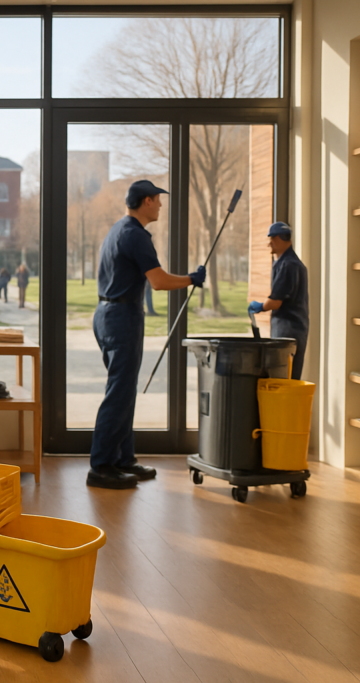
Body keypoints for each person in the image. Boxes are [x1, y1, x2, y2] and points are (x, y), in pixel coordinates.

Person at [88, 180, 206, 490]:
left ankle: (124, 459)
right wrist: (192, 278)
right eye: (157, 200)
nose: (161, 206)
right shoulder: (136, 236)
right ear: (146, 202)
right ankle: (101, 466)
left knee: (123, 390)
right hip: (122, 317)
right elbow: (158, 281)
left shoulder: (117, 230)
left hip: (106, 315)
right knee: (120, 392)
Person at [248, 222, 309, 379]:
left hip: (287, 330)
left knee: (282, 377)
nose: (270, 243)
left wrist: (260, 306)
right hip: (297, 328)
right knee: (291, 376)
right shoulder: (293, 264)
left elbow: (275, 302)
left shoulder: (288, 265)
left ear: (283, 238)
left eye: (273, 239)